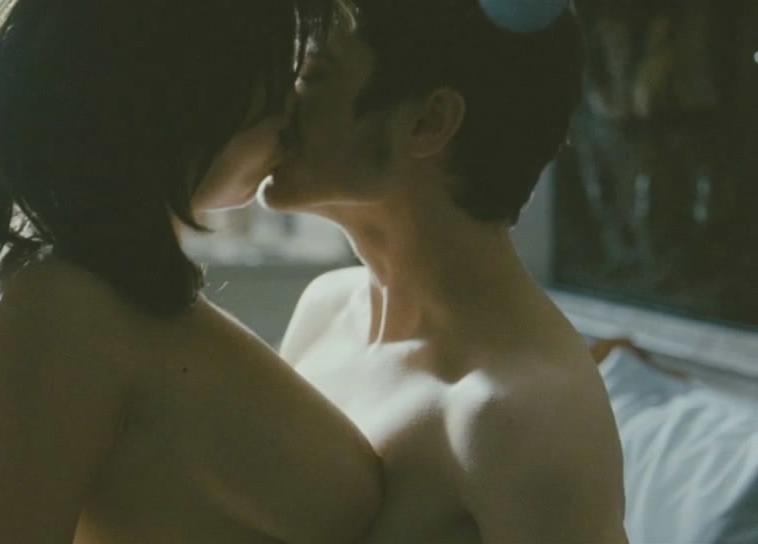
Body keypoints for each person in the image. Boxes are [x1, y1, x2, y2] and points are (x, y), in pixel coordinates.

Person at [0, 0, 381, 542]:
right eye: (276, 76)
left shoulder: (61, 291)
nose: (291, 114)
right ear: (184, 96)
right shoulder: (63, 305)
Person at [263, 1, 629, 542]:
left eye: (311, 75)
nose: (273, 102)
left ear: (427, 122)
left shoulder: (521, 410)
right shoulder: (326, 307)